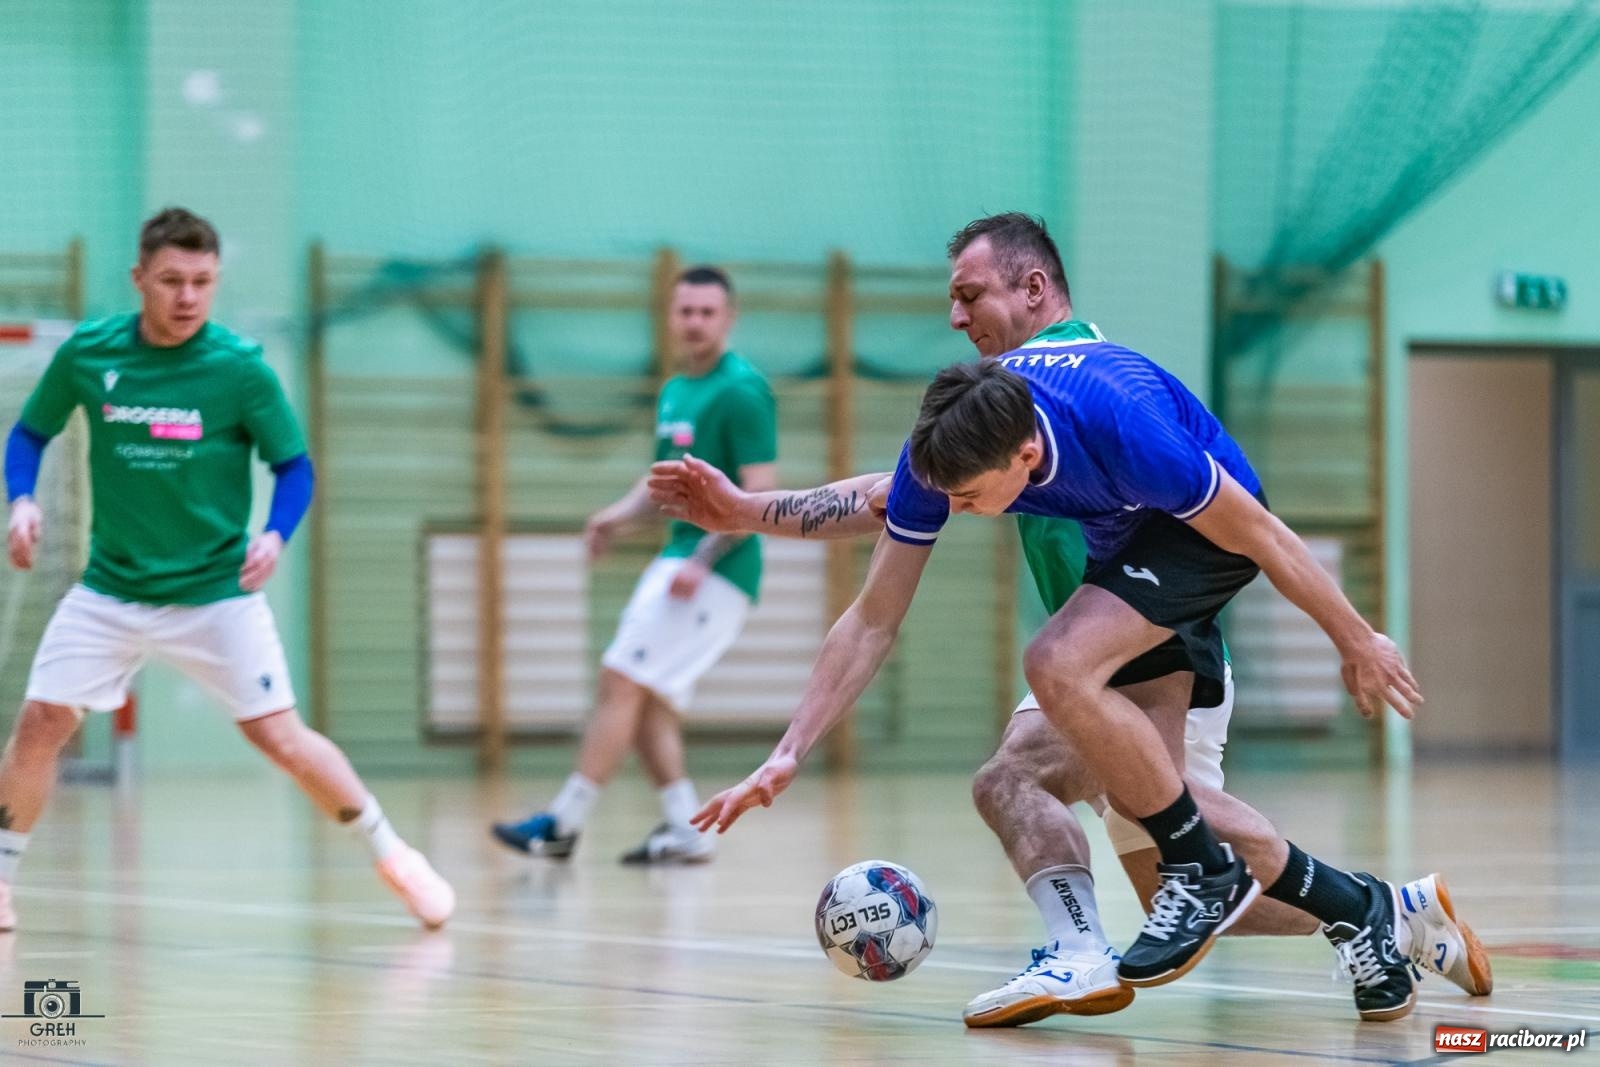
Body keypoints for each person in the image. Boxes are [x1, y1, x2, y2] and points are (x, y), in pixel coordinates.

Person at [652, 214, 1490, 1023]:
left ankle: (1174, 925)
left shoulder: (1100, 396)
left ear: (1034, 286)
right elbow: (885, 540)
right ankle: (1379, 910)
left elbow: (1258, 531)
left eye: (970, 295)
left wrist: (1356, 636)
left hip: (1166, 609)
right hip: (1104, 621)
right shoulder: (975, 417)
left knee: (1152, 796)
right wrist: (786, 732)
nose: (955, 316)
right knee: (1028, 789)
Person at [1, 207, 454, 930]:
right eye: (172, 280)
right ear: (139, 278)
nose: (187, 297)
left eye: (203, 282)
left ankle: (395, 853)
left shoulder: (239, 368)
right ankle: (1, 878)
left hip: (216, 594)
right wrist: (21, 500)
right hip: (111, 588)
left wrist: (275, 534)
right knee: (41, 722)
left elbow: (294, 466)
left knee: (280, 737)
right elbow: (30, 432)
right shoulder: (90, 354)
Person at [491, 266, 778, 865]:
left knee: (619, 680)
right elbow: (661, 488)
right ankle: (688, 831)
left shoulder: (742, 391)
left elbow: (760, 496)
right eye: (685, 311)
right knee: (646, 701)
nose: (695, 321)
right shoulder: (676, 390)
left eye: (707, 311)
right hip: (678, 559)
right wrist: (614, 519)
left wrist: (702, 559)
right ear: (671, 316)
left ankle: (563, 824)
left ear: (729, 318)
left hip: (717, 573)